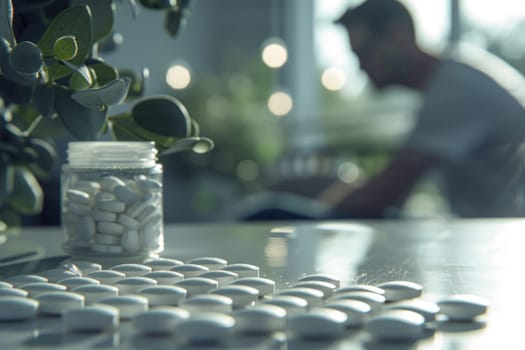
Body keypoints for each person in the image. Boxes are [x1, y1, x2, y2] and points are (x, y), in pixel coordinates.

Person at [327, 0, 525, 218]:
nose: (361, 67)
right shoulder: (453, 76)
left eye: (365, 52)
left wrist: (315, 216)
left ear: (398, 35)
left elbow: (383, 193)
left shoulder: (453, 92)